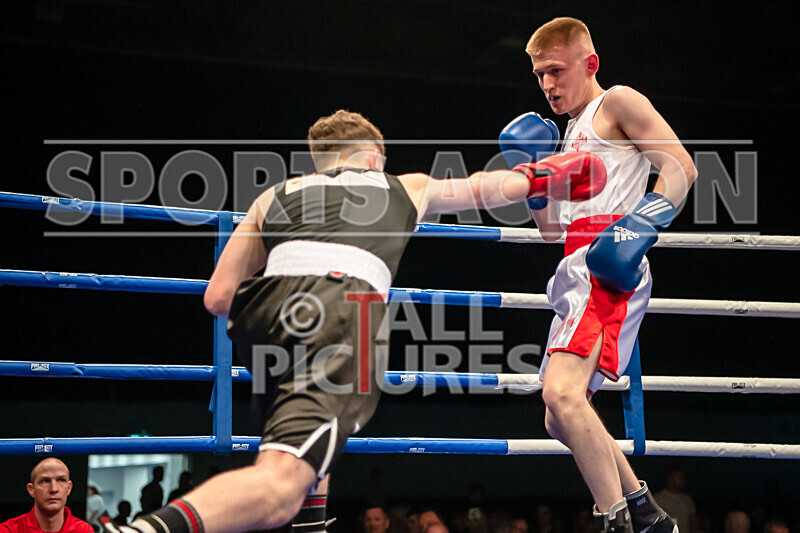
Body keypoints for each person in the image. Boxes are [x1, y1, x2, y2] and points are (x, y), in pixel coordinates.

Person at [101, 109, 603, 533]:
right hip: (341, 310)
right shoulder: (403, 186)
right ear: (371, 158)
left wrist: (291, 299)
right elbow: (490, 188)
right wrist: (550, 174)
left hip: (265, 322)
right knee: (280, 484)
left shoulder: (272, 196)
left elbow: (218, 296)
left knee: (307, 450)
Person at [511, 16, 698, 533]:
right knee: (558, 416)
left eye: (555, 70)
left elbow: (682, 165)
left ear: (588, 64)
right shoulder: (565, 135)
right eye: (538, 75)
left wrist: (641, 223)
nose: (547, 84)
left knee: (562, 395)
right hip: (573, 265)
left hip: (606, 259)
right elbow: (551, 231)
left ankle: (614, 520)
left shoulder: (616, 102)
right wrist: (533, 174)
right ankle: (644, 512)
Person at [0, 457, 93, 533]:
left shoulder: (83, 530)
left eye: (61, 480)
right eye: (45, 481)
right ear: (31, 489)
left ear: (69, 488)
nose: (54, 489)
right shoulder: (9, 530)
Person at [654, 468, 697, 533]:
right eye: (679, 478)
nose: (683, 481)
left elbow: (693, 521)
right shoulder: (658, 499)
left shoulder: (687, 499)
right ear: (670, 479)